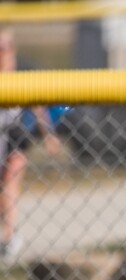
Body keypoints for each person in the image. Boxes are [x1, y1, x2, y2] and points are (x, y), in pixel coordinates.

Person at [0, 30, 64, 263]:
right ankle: (8, 230)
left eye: (5, 47)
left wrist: (49, 135)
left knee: (10, 182)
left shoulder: (20, 74)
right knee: (2, 193)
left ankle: (9, 237)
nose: (2, 52)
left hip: (14, 135)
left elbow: (38, 107)